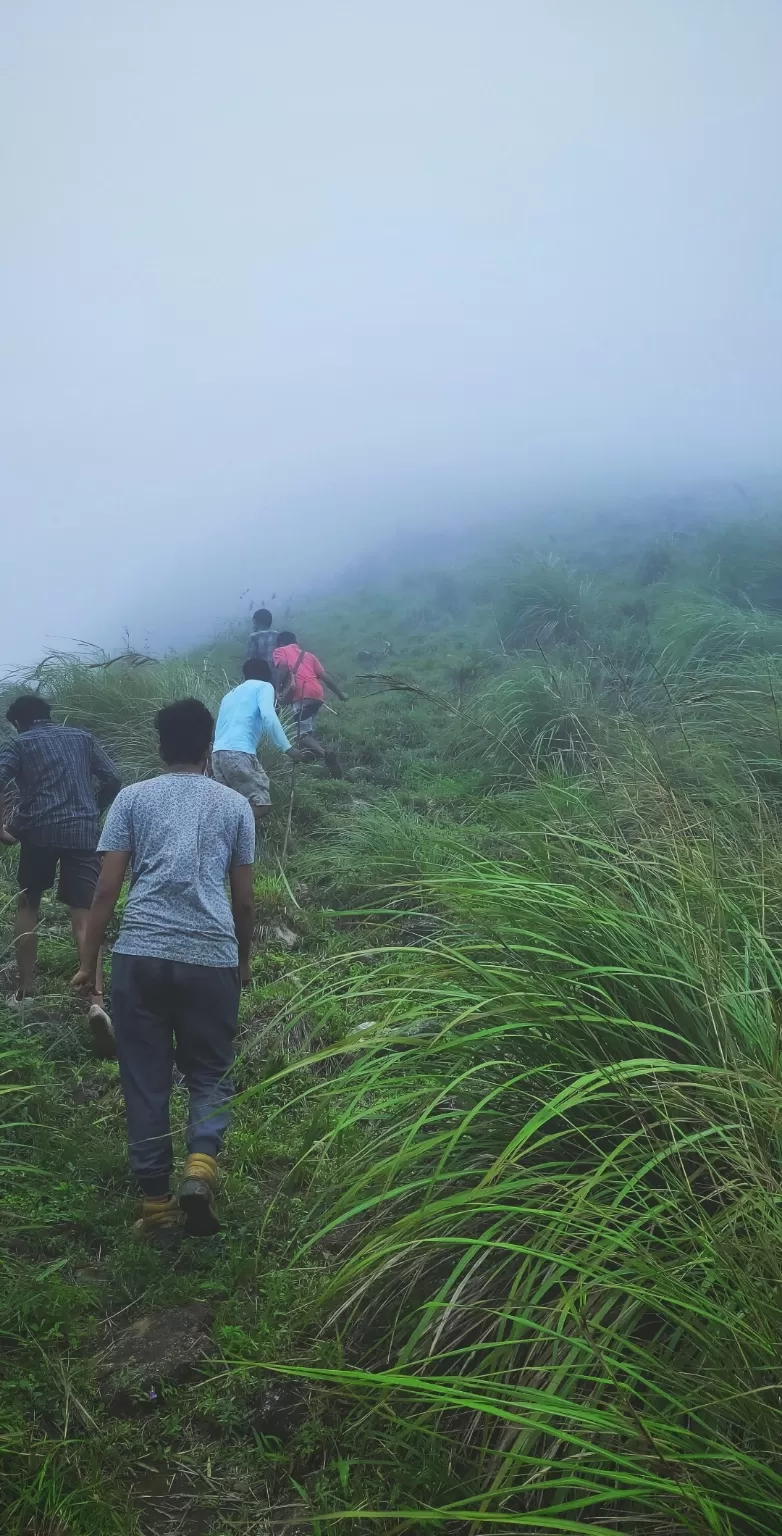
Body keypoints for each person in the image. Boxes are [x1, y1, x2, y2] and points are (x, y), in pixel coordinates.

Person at [71, 698, 255, 1245]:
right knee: (211, 1071)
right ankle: (200, 1167)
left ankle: (157, 1209)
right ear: (208, 747)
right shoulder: (235, 805)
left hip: (142, 956)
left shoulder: (132, 799)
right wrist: (241, 960)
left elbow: (105, 889)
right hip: (211, 958)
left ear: (160, 745)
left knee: (145, 1079)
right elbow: (243, 901)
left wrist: (89, 963)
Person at [0, 694, 120, 1045]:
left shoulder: (19, 742)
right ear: (48, 715)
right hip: (82, 830)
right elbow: (112, 777)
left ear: (18, 721)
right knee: (84, 914)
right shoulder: (82, 738)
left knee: (28, 903)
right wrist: (91, 808)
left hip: (38, 831)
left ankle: (25, 993)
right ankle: (96, 1003)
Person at [212, 659, 303, 826]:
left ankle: (226, 841)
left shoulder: (229, 695)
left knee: (231, 805)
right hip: (239, 753)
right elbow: (269, 717)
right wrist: (287, 748)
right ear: (267, 674)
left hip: (217, 755)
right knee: (260, 805)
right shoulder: (264, 687)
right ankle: (221, 828)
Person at [272, 631, 347, 776]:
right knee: (306, 731)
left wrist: (277, 690)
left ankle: (326, 755)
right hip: (316, 694)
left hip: (301, 694)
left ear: (281, 643)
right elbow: (325, 677)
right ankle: (309, 762)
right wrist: (341, 694)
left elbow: (283, 667)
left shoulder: (280, 651)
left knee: (301, 735)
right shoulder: (308, 655)